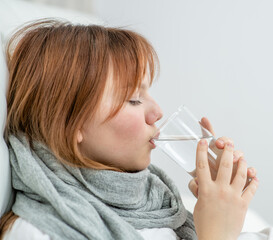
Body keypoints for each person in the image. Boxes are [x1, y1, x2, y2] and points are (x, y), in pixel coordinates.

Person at [0, 19, 258, 240]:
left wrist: (220, 211)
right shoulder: (42, 232)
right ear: (67, 122)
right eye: (134, 99)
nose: (157, 112)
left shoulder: (158, 204)